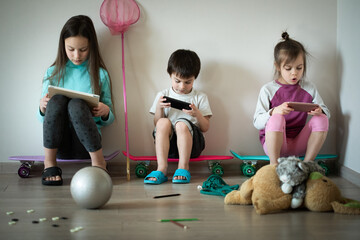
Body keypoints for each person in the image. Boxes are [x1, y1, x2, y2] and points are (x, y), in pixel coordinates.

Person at [38, 15, 114, 185]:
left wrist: (106, 111)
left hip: (87, 146)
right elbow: (42, 119)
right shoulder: (53, 73)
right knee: (56, 100)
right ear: (63, 46)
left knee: (77, 104)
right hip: (59, 144)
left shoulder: (100, 74)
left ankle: (99, 162)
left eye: (83, 49)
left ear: (91, 47)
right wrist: (42, 108)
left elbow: (111, 118)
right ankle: (49, 162)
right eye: (71, 49)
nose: (76, 55)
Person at [253, 32, 330, 165]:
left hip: (299, 144)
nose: (294, 73)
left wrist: (320, 111)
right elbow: (257, 122)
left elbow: (327, 113)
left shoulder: (309, 88)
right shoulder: (268, 90)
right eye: (288, 68)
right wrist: (273, 111)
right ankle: (273, 166)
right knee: (277, 118)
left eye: (299, 68)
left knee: (322, 118)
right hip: (275, 145)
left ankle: (307, 165)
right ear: (278, 66)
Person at [145, 49, 212, 184]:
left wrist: (197, 114)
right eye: (177, 81)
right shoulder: (162, 95)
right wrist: (159, 107)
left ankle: (183, 167)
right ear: (170, 75)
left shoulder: (200, 97)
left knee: (181, 123)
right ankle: (161, 168)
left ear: (194, 79)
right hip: (169, 147)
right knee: (163, 122)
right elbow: (157, 124)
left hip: (192, 146)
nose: (182, 86)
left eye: (188, 82)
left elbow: (205, 128)